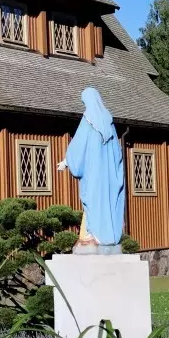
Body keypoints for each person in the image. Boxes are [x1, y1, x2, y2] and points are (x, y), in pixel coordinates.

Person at [57, 87, 124, 251]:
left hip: (93, 175)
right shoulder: (109, 123)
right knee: (107, 203)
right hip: (108, 177)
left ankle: (93, 235)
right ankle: (107, 236)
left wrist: (66, 162)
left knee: (93, 203)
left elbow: (79, 146)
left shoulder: (88, 120)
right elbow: (117, 154)